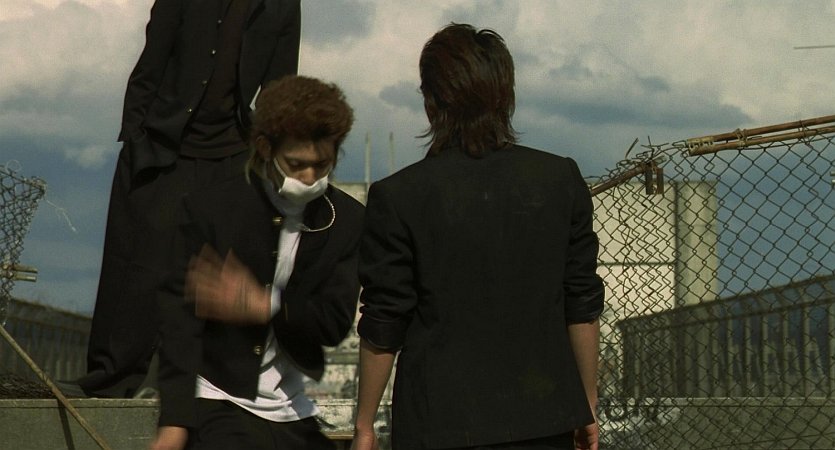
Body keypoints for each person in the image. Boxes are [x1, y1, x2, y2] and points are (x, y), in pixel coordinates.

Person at [351, 23, 606, 450]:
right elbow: (581, 303)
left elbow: (385, 319)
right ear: (505, 95)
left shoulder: (398, 196)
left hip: (437, 423)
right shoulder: (559, 179)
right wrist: (587, 404)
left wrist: (364, 424)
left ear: (432, 101)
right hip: (544, 418)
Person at [76, 0, 301, 398]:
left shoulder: (281, 5)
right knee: (138, 266)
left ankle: (207, 390)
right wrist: (136, 135)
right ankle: (111, 382)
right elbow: (150, 63)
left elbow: (280, 89)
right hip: (163, 147)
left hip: (232, 154)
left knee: (219, 271)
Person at [150, 75, 364, 450]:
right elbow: (178, 324)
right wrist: (175, 420)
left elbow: (333, 323)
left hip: (292, 409)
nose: (310, 177)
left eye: (322, 164)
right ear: (265, 148)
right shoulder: (212, 208)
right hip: (217, 397)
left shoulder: (346, 220)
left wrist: (267, 304)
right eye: (296, 164)